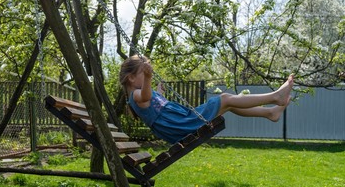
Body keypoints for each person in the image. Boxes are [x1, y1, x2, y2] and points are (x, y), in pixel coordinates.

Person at [119, 55, 294, 144]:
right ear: (131, 78)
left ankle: (270, 112)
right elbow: (146, 97)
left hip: (179, 123)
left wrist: (158, 92)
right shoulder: (135, 94)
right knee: (225, 99)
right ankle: (275, 97)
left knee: (229, 103)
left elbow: (153, 105)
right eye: (144, 73)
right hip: (180, 125)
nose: (147, 76)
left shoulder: (139, 94)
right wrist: (149, 80)